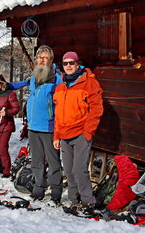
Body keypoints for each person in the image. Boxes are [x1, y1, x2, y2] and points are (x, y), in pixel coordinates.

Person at [53, 51, 103, 214]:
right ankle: (74, 200)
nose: (68, 66)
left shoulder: (89, 83)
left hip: (81, 134)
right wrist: (57, 135)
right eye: (65, 63)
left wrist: (88, 132)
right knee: (68, 170)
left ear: (77, 64)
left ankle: (88, 202)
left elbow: (96, 109)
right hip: (64, 135)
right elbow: (58, 114)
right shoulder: (60, 87)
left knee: (79, 169)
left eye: (71, 63)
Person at [26, 45, 63, 203]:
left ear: (51, 60)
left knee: (53, 161)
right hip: (33, 127)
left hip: (49, 127)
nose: (42, 60)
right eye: (39, 57)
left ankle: (56, 191)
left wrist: (58, 129)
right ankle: (38, 188)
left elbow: (61, 106)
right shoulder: (34, 77)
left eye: (45, 57)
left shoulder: (57, 79)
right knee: (36, 160)